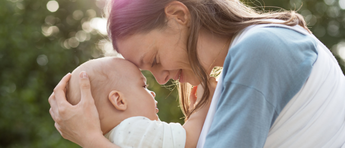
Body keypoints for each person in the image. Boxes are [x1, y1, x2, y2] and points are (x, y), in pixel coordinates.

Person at [49, 0, 345, 147]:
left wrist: (90, 138)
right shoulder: (265, 44)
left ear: (178, 16)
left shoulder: (259, 48)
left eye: (153, 59)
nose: (160, 79)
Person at [65, 57, 213, 148]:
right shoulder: (132, 130)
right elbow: (189, 140)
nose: (152, 92)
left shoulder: (110, 140)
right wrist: (204, 100)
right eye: (143, 86)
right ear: (119, 100)